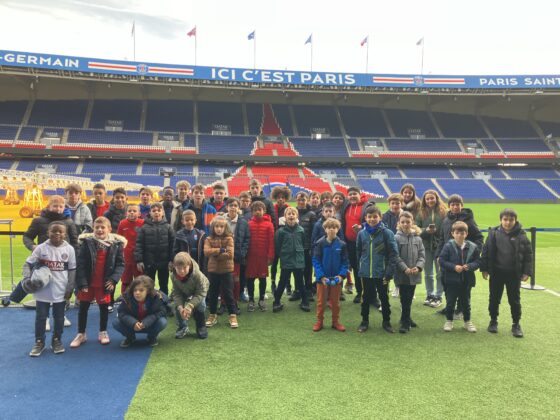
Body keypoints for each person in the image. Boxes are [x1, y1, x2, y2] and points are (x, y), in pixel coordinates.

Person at [71, 217, 125, 348]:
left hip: (103, 284)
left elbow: (120, 265)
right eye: (97, 227)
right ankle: (81, 334)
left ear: (109, 229)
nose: (100, 230)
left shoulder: (116, 245)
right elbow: (81, 264)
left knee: (104, 309)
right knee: (83, 308)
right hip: (88, 284)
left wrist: (113, 280)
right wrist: (82, 283)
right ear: (93, 229)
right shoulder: (87, 243)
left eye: (103, 227)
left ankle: (103, 332)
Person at [481, 208, 532, 338]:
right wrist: (485, 268)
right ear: (501, 220)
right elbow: (486, 251)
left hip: (513, 274)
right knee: (494, 299)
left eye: (511, 220)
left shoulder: (521, 235)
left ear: (515, 220)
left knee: (514, 300)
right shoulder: (493, 233)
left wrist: (527, 272)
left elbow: (528, 255)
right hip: (497, 272)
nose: (508, 222)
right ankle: (493, 321)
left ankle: (516, 324)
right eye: (505, 219)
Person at [27, 222, 76, 357]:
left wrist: (70, 287)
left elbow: (72, 270)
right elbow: (29, 264)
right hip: (43, 290)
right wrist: (27, 280)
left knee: (59, 317)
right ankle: (39, 342)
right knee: (41, 317)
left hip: (61, 290)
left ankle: (56, 340)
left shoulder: (69, 249)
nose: (57, 234)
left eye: (60, 232)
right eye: (54, 231)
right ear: (48, 233)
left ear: (65, 234)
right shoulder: (41, 248)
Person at [435, 194, 484, 318]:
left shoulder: (468, 220)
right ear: (449, 206)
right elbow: (442, 239)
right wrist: (438, 255)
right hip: (448, 259)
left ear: (462, 206)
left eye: (457, 204)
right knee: (448, 284)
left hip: (463, 257)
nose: (455, 207)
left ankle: (461, 309)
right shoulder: (446, 220)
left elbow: (479, 238)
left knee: (463, 285)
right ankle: (449, 306)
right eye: (452, 204)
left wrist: (473, 251)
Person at [356, 205, 398, 333]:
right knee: (365, 297)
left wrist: (389, 272)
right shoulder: (361, 233)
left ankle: (386, 321)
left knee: (384, 298)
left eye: (375, 217)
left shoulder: (387, 233)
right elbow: (359, 251)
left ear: (380, 217)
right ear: (365, 218)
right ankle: (364, 321)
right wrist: (361, 266)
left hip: (382, 273)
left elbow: (393, 254)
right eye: (369, 217)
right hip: (366, 273)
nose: (372, 219)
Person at [439, 221, 481, 333]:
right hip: (450, 280)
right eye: (457, 233)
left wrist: (470, 266)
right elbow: (442, 261)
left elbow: (478, 261)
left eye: (462, 233)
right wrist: (453, 267)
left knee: (466, 303)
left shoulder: (473, 247)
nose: (459, 235)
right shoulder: (448, 246)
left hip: (466, 281)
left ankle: (467, 322)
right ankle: (449, 321)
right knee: (450, 302)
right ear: (452, 233)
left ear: (466, 234)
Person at [312, 218, 348, 332]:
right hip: (322, 279)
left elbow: (345, 262)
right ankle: (319, 321)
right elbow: (316, 261)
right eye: (329, 228)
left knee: (335, 303)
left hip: (336, 279)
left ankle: (335, 322)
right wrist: (321, 276)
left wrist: (341, 276)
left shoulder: (342, 245)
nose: (331, 230)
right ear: (325, 229)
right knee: (321, 302)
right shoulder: (320, 243)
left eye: (334, 227)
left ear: (338, 229)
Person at [341, 187, 376, 304]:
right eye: (350, 194)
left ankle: (372, 295)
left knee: (368, 268)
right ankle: (360, 292)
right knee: (356, 268)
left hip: (365, 243)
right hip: (350, 243)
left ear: (360, 194)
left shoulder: (368, 206)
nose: (352, 196)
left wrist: (362, 226)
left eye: (354, 194)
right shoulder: (346, 206)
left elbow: (375, 221)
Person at [113, 276, 168, 347]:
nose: (137, 293)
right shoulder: (127, 298)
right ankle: (130, 337)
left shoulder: (156, 298)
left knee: (162, 322)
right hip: (132, 326)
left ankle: (151, 337)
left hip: (149, 324)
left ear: (148, 291)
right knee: (116, 322)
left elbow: (161, 312)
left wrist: (146, 322)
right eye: (135, 290)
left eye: (141, 290)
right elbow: (121, 313)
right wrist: (133, 323)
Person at [393, 212, 425, 333]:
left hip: (414, 273)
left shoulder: (418, 238)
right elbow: (395, 256)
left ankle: (406, 318)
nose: (406, 224)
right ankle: (405, 323)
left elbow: (422, 255)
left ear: (412, 222)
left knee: (409, 297)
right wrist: (404, 268)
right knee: (404, 298)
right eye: (403, 222)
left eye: (408, 222)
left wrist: (418, 267)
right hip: (402, 273)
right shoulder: (396, 238)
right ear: (399, 223)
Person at [273, 207, 309, 313]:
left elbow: (303, 243)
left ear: (297, 216)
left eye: (293, 214)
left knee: (300, 282)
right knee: (282, 282)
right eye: (289, 214)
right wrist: (284, 255)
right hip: (286, 261)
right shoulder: (280, 232)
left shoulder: (301, 230)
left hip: (298, 261)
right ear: (285, 217)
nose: (291, 215)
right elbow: (278, 246)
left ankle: (305, 301)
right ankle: (276, 301)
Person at [135, 203, 175, 296]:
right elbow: (139, 244)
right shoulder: (144, 228)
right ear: (150, 213)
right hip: (149, 262)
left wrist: (171, 260)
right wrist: (139, 260)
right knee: (148, 285)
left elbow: (173, 245)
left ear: (163, 212)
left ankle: (164, 303)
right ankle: (150, 302)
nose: (156, 212)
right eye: (154, 211)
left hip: (164, 262)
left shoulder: (168, 227)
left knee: (164, 284)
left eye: (158, 210)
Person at [204, 216, 237, 328]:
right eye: (216, 226)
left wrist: (215, 255)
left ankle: (232, 315)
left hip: (226, 271)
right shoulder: (208, 239)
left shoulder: (229, 239)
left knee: (228, 294)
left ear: (225, 227)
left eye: (221, 227)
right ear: (213, 228)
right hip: (213, 271)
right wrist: (220, 250)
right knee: (213, 294)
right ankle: (212, 315)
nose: (219, 229)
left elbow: (230, 255)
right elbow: (206, 252)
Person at [416, 190, 447, 308]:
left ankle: (438, 295)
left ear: (436, 198)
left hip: (440, 247)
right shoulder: (421, 213)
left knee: (440, 273)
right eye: (427, 199)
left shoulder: (444, 212)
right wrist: (426, 231)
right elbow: (416, 229)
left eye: (432, 198)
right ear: (424, 200)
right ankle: (430, 295)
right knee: (428, 273)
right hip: (426, 246)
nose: (430, 201)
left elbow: (448, 228)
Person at [171, 252, 209, 339]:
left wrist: (190, 306)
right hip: (183, 290)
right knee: (176, 306)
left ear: (190, 266)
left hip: (199, 291)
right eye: (178, 268)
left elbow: (201, 292)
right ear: (174, 267)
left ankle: (201, 326)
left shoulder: (197, 275)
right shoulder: (173, 276)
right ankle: (183, 327)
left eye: (184, 268)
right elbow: (176, 293)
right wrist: (181, 308)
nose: (181, 271)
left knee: (201, 305)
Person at [245, 201, 275, 312]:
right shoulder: (249, 224)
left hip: (263, 257)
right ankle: (251, 300)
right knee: (250, 279)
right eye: (255, 210)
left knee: (262, 279)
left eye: (260, 209)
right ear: (252, 212)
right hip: (251, 257)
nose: (257, 212)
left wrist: (270, 256)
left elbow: (271, 242)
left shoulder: (269, 224)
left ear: (264, 211)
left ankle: (261, 299)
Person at [223, 197, 250, 313]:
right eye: (230, 205)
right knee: (223, 280)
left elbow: (247, 239)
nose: (233, 207)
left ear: (238, 208)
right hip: (223, 257)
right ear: (227, 207)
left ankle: (234, 303)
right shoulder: (221, 220)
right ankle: (223, 303)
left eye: (235, 205)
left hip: (237, 257)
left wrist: (242, 253)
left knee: (236, 281)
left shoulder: (243, 222)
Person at [117, 204, 144, 295]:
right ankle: (125, 300)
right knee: (125, 281)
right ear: (126, 213)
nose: (132, 212)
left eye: (134, 211)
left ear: (139, 213)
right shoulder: (122, 223)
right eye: (129, 211)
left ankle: (139, 300)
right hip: (126, 259)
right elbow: (119, 240)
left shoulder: (143, 223)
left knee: (139, 281)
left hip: (138, 259)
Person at [294, 192, 317, 301]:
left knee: (308, 270)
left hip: (307, 247)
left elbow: (314, 232)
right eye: (299, 200)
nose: (301, 202)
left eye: (303, 200)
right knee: (297, 270)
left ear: (307, 201)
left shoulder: (312, 214)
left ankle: (308, 290)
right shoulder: (293, 212)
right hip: (295, 247)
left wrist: (312, 247)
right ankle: (297, 290)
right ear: (296, 200)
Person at [270, 186, 291, 293]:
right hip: (274, 240)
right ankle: (273, 282)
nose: (280, 199)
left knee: (286, 263)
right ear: (275, 198)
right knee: (274, 263)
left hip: (286, 241)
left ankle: (287, 283)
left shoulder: (289, 209)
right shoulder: (272, 208)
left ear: (286, 198)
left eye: (283, 197)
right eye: (278, 197)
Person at [382, 193, 404, 298]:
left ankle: (399, 286)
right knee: (389, 266)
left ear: (401, 204)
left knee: (401, 266)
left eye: (397, 203)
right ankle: (388, 286)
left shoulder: (405, 215)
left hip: (402, 244)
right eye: (393, 203)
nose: (395, 205)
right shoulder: (385, 216)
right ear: (389, 204)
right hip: (389, 245)